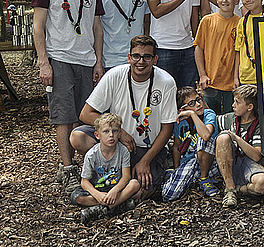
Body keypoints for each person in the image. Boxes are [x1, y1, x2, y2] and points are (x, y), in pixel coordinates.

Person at [32, 0, 105, 194]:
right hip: (60, 58)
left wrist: (99, 61)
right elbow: (38, 27)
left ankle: (87, 166)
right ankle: (67, 168)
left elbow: (97, 28)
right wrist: (44, 62)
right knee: (63, 116)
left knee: (86, 116)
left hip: (86, 60)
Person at [70, 35, 177, 198]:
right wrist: (119, 133)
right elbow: (86, 114)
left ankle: (102, 200)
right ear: (129, 57)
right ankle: (102, 175)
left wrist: (145, 161)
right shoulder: (114, 76)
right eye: (136, 56)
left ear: (155, 59)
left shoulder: (166, 82)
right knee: (78, 136)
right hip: (116, 144)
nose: (141, 61)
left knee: (144, 188)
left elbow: (167, 128)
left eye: (147, 57)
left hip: (146, 148)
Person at [71, 113, 140, 225]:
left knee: (135, 184)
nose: (111, 135)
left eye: (115, 131)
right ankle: (117, 205)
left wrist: (114, 191)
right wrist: (97, 194)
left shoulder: (123, 151)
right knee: (77, 197)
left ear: (120, 133)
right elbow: (84, 182)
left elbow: (126, 176)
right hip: (98, 191)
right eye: (106, 131)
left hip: (115, 189)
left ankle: (103, 209)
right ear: (97, 135)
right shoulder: (91, 155)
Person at [216, 85, 264, 208]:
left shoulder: (259, 125)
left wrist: (236, 138)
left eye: (237, 102)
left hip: (249, 165)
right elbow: (208, 120)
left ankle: (239, 189)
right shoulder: (229, 118)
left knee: (262, 183)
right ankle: (230, 190)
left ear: (249, 107)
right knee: (223, 137)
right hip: (230, 162)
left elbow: (256, 156)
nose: (233, 105)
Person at [162, 86, 219, 202]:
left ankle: (204, 179)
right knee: (168, 195)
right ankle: (182, 177)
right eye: (192, 103)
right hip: (190, 163)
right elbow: (177, 147)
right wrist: (177, 168)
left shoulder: (208, 114)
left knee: (202, 141)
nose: (198, 104)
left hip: (211, 163)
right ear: (182, 110)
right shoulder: (180, 122)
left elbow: (206, 135)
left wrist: (193, 115)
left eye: (199, 100)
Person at [194, 0, 241, 113]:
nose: (224, 0)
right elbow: (199, 48)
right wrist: (202, 75)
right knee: (210, 118)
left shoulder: (240, 23)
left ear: (236, 0)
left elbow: (238, 52)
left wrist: (236, 78)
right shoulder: (207, 21)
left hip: (231, 84)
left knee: (230, 118)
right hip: (210, 83)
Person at [234, 0, 264, 87]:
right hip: (246, 76)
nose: (247, 0)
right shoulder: (242, 22)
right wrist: (235, 77)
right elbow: (238, 50)